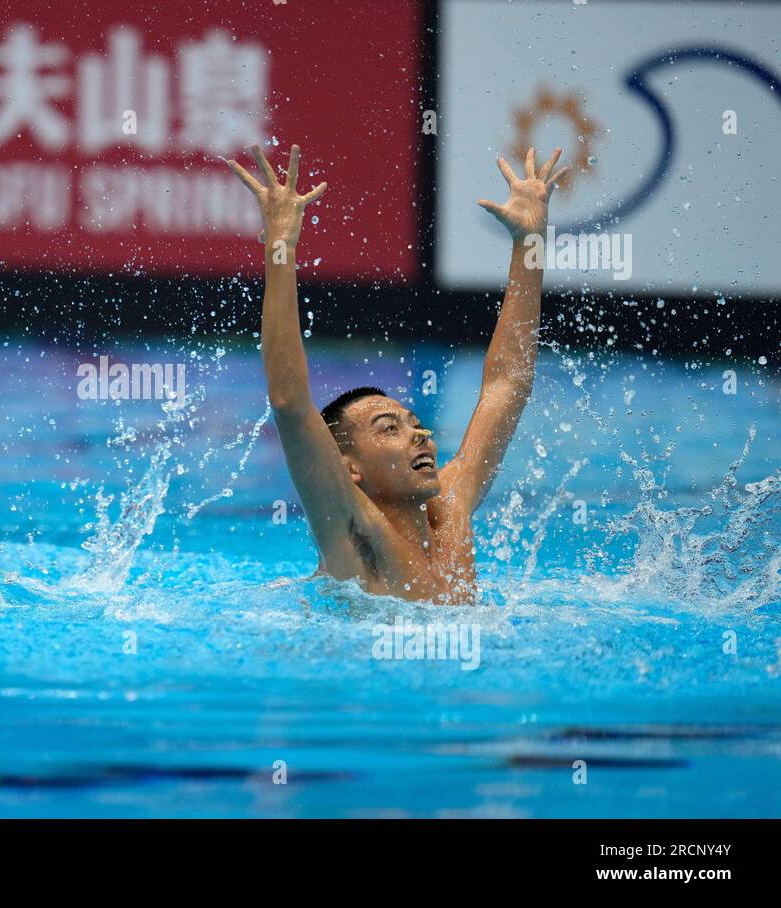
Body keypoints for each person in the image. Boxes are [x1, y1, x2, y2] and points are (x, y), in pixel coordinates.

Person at [226, 143, 568, 603]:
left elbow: (506, 386)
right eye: (389, 428)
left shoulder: (450, 508)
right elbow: (289, 403)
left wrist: (529, 245)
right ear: (347, 468)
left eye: (414, 423)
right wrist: (281, 249)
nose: (420, 435)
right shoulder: (352, 531)